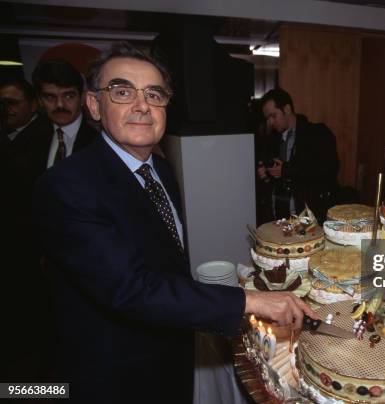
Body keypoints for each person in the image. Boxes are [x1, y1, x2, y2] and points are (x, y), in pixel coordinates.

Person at [32, 42, 315, 404]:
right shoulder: (67, 185)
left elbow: (166, 263)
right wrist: (249, 300)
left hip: (172, 355)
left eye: (154, 93)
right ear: (94, 105)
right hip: (116, 375)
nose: (141, 105)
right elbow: (132, 288)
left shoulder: (161, 170)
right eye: (122, 92)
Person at [0, 78, 53, 381]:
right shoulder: (9, 139)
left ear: (32, 106)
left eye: (12, 102)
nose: (5, 109)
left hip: (31, 249)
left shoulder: (43, 140)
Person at [258, 88, 339, 223]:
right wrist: (265, 175)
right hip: (278, 219)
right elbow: (271, 181)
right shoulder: (271, 139)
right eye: (268, 118)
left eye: (273, 116)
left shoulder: (317, 134)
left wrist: (286, 170)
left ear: (287, 109)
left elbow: (329, 168)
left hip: (309, 220)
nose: (270, 122)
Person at [31, 59, 98, 169]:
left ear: (82, 98)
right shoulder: (30, 138)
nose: (60, 105)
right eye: (50, 97)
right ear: (40, 100)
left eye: (68, 96)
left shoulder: (99, 139)